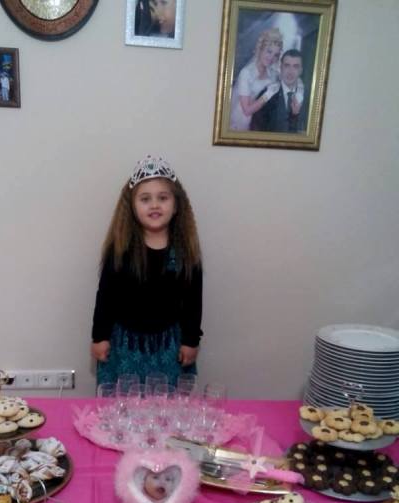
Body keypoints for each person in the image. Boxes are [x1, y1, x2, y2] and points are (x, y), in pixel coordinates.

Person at [91, 155, 203, 385]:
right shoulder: (120, 248)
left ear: (176, 205)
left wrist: (191, 340)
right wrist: (99, 336)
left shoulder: (186, 251)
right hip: (124, 347)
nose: (154, 205)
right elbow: (106, 296)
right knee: (122, 403)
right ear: (132, 207)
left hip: (169, 347)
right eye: (145, 199)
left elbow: (193, 300)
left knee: (164, 404)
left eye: (163, 198)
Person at [229, 27, 283, 131]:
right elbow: (246, 110)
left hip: (258, 122)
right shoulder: (246, 73)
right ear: (260, 49)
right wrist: (268, 94)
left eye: (275, 55)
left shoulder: (272, 74)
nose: (271, 58)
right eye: (269, 51)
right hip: (241, 121)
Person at [250, 49, 307, 133]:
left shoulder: (309, 97)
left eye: (295, 67)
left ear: (301, 70)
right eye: (287, 66)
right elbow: (255, 129)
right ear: (281, 68)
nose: (290, 72)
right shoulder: (266, 95)